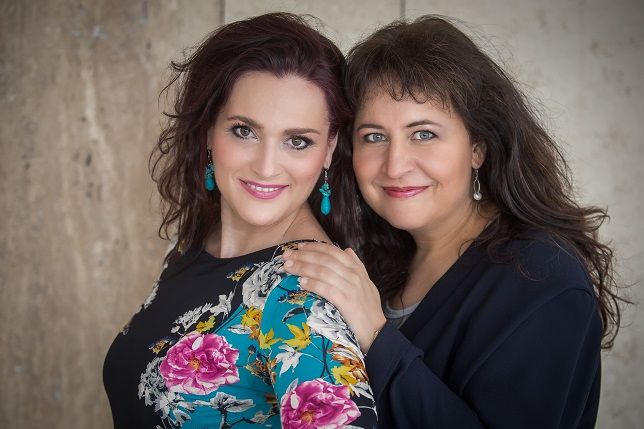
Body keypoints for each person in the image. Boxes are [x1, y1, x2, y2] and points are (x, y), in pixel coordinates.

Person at [282, 15, 624, 428]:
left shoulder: (542, 277)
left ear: (478, 147)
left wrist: (376, 333)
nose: (395, 164)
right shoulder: (379, 260)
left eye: (423, 134)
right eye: (374, 136)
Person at [103, 13, 377, 429]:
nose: (266, 167)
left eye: (297, 141)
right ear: (208, 130)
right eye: (244, 131)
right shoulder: (192, 242)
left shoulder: (304, 296)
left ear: (329, 148)